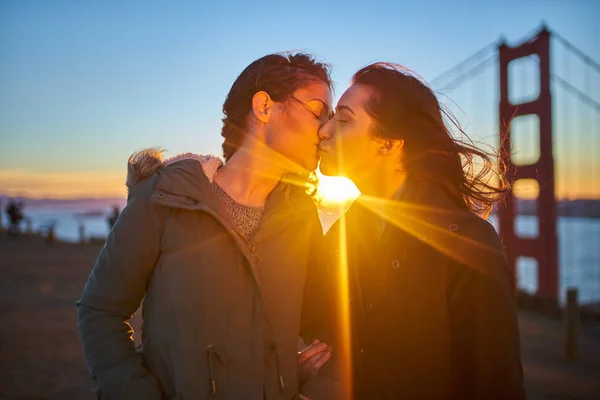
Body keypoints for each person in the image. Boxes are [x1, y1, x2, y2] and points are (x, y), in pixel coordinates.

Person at [77, 52, 333, 400]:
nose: (328, 129)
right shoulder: (165, 197)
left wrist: (296, 381)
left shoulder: (300, 215)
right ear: (264, 108)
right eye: (319, 112)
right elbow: (101, 309)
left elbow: (327, 324)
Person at [301, 63, 525, 399]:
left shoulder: (465, 242)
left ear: (389, 144)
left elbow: (495, 383)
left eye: (344, 120)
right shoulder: (342, 236)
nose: (323, 131)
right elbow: (311, 319)